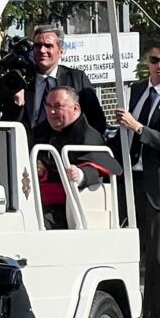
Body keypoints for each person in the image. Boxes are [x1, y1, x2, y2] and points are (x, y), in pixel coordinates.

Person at [113, 44, 160, 318]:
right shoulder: (136, 90)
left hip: (159, 190)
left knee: (157, 264)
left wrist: (139, 128)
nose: (159, 67)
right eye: (154, 61)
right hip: (129, 182)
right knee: (126, 255)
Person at [30, 87, 121, 230]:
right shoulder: (41, 131)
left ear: (76, 108)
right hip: (37, 200)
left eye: (58, 106)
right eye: (48, 106)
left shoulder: (88, 136)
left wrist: (80, 174)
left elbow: (99, 168)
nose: (52, 112)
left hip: (66, 208)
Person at [9, 26, 107, 134]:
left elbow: (97, 121)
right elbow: (8, 124)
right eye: (37, 46)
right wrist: (18, 104)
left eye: (48, 45)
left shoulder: (77, 79)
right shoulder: (21, 80)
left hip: (66, 148)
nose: (42, 50)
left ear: (60, 50)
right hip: (30, 148)